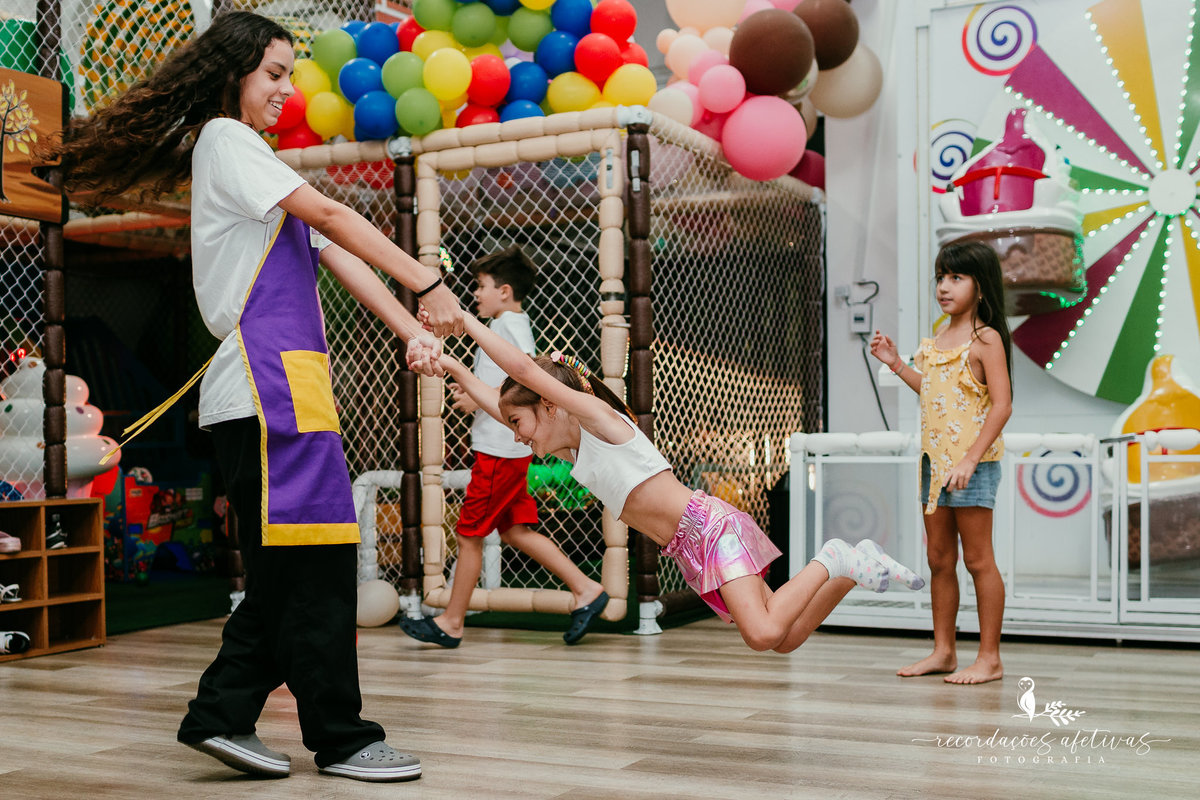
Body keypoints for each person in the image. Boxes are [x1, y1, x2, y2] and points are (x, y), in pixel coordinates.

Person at [50, 11, 465, 781]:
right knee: (310, 570)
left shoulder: (250, 157)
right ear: (231, 74)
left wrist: (412, 326)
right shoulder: (227, 142)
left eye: (288, 76)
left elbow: (336, 249)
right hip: (268, 391)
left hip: (286, 391)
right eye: (273, 73)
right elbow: (336, 216)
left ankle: (224, 714)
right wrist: (429, 281)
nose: (285, 89)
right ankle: (336, 736)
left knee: (298, 570)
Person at [408, 314, 925, 655]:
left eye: (520, 426)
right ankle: (847, 570)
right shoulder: (572, 446)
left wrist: (466, 323)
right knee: (784, 639)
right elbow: (502, 402)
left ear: (549, 405)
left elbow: (521, 368)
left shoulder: (599, 421)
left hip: (709, 526)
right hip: (690, 546)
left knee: (763, 632)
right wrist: (451, 364)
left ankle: (834, 557)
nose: (517, 438)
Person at [400, 246, 608, 648]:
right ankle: (586, 590)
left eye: (481, 286)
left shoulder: (509, 325)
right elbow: (509, 381)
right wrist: (476, 393)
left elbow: (525, 379)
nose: (475, 294)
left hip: (499, 452)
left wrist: (477, 396)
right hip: (503, 450)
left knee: (468, 535)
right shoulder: (509, 324)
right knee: (514, 530)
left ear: (505, 291)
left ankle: (452, 622)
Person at [869, 240, 1013, 685]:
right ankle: (944, 651)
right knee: (938, 558)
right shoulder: (934, 343)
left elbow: (1002, 406)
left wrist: (970, 459)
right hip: (934, 465)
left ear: (981, 286)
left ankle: (989, 658)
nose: (944, 287)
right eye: (940, 278)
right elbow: (931, 391)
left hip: (972, 465)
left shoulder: (984, 339)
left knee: (978, 560)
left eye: (956, 278)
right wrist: (896, 363)